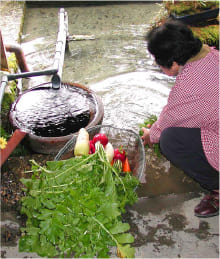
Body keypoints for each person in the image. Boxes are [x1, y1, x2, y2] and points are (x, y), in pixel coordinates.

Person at [141, 19, 219, 218]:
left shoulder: (188, 86)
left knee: (170, 140)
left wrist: (152, 134)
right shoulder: (211, 55)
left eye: (158, 60)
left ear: (174, 63)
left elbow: (170, 119)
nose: (157, 64)